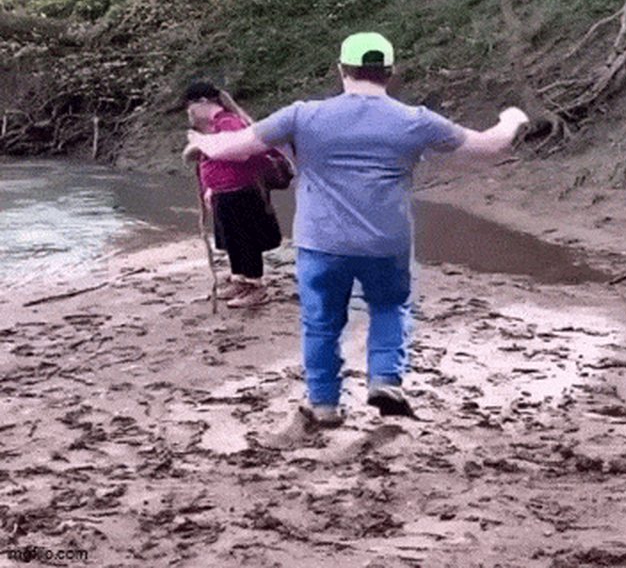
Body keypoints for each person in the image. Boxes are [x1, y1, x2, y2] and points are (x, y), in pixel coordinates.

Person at [183, 33, 529, 424]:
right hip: (386, 242)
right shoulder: (414, 120)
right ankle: (385, 379)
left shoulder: (303, 115)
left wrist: (200, 143)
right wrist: (512, 119)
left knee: (321, 323)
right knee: (389, 309)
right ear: (390, 72)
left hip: (321, 242)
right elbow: (488, 146)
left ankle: (324, 403)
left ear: (341, 70)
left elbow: (233, 147)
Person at [185, 80, 282, 308]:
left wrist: (201, 144)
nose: (189, 112)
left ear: (202, 102)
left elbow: (240, 153)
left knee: (245, 239)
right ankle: (239, 279)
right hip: (224, 191)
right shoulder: (216, 126)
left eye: (190, 106)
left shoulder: (229, 122)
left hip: (241, 190)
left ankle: (255, 286)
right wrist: (211, 188)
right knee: (232, 239)